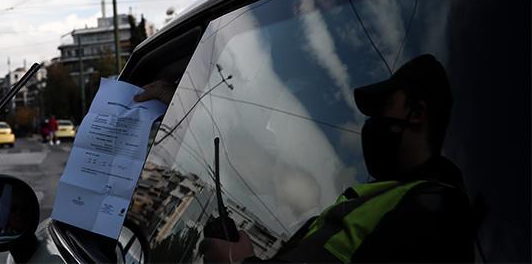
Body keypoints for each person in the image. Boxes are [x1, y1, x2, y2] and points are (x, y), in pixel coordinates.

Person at [198, 55, 475, 263]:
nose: (371, 122)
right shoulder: (392, 197)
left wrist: (237, 262)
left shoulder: (433, 212)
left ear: (417, 114)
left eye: (383, 107)